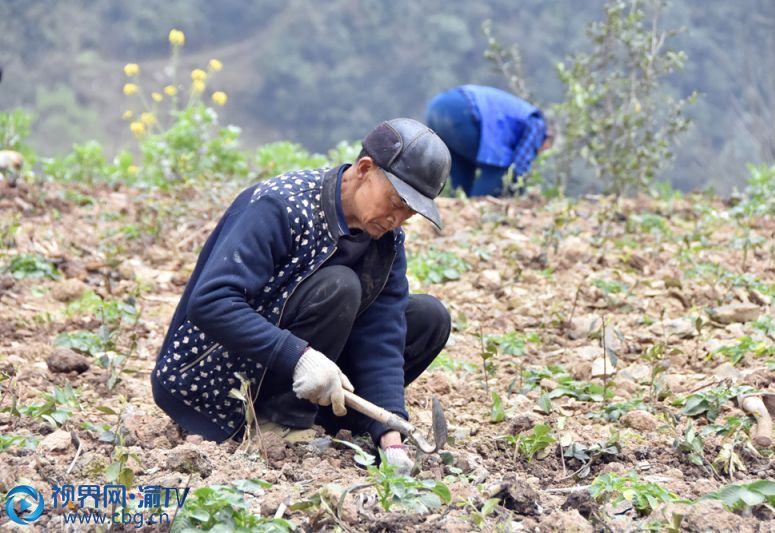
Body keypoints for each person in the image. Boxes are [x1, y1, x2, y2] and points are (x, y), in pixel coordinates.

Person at [151, 118, 452, 475]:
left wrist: (390, 430)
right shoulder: (282, 205)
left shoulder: (386, 239)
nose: (397, 219)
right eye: (395, 201)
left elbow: (382, 335)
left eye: (410, 212)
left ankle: (334, 419)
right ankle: (279, 423)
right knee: (340, 286)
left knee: (428, 318)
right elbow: (211, 302)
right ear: (365, 169)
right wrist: (298, 356)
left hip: (303, 377)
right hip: (220, 381)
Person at [426, 84, 554, 197]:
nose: (538, 153)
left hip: (437, 108)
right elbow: (518, 166)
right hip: (463, 112)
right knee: (500, 168)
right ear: (548, 137)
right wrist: (520, 193)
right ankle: (477, 207)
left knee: (462, 181)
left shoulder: (519, 113)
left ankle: (457, 207)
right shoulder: (539, 123)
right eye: (543, 149)